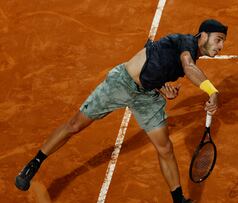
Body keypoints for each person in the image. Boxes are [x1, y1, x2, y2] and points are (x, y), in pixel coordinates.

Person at [15, 19, 227, 203]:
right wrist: (212, 91)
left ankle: (178, 199)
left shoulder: (188, 54)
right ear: (203, 35)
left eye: (223, 41)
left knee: (165, 148)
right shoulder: (185, 43)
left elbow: (154, 68)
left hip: (146, 96)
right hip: (120, 83)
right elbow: (188, 67)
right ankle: (35, 162)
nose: (221, 45)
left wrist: (164, 90)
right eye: (218, 39)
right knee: (74, 125)